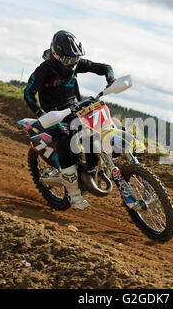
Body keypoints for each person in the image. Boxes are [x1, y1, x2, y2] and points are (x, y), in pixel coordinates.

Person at [23, 30, 115, 211]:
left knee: (92, 132)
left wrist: (111, 79)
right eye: (67, 59)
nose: (71, 64)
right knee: (65, 141)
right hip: (53, 116)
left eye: (74, 59)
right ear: (56, 55)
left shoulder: (76, 64)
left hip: (75, 111)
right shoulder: (44, 70)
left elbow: (105, 68)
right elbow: (28, 93)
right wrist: (40, 114)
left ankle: (92, 168)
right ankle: (73, 195)